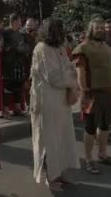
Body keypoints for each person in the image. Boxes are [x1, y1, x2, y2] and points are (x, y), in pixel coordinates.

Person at [30, 19, 79, 192]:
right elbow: (53, 76)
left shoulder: (59, 48)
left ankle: (60, 173)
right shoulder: (42, 48)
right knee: (48, 140)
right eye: (56, 30)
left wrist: (72, 79)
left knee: (62, 138)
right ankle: (49, 178)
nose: (59, 33)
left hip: (61, 101)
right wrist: (71, 80)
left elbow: (69, 69)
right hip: (46, 101)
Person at [72, 17, 111, 175]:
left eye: (101, 28)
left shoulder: (107, 47)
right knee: (90, 128)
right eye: (96, 28)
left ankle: (102, 154)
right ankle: (88, 158)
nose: (100, 30)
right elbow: (80, 72)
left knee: (105, 125)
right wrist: (84, 91)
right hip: (92, 93)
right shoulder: (83, 48)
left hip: (108, 92)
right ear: (90, 30)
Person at [0, 14, 30, 119]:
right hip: (9, 64)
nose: (21, 23)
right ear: (14, 21)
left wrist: (24, 49)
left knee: (18, 86)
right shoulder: (5, 33)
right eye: (19, 21)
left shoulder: (22, 34)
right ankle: (5, 110)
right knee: (8, 87)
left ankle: (17, 108)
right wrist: (13, 47)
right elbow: (1, 47)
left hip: (19, 63)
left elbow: (26, 47)